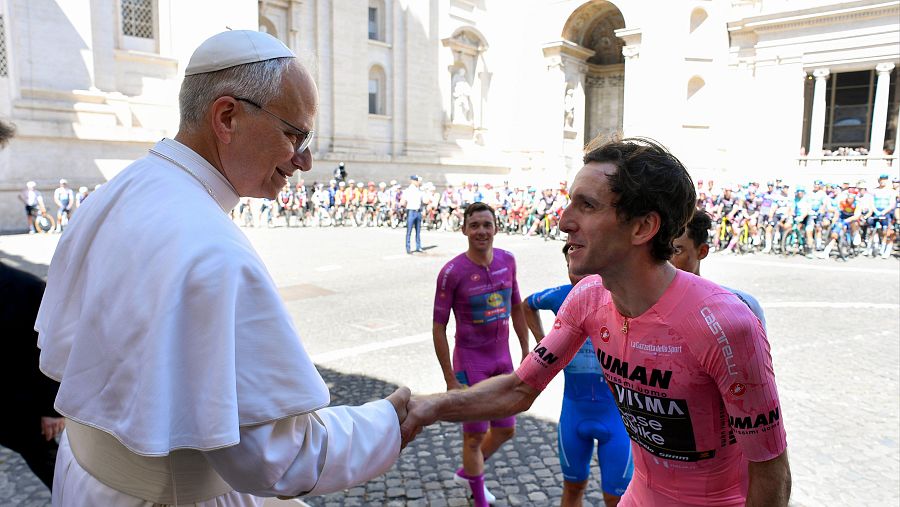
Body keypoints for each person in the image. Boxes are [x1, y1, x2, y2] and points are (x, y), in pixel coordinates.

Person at [35, 30, 410, 506]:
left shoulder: (118, 190)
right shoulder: (216, 252)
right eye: (295, 134)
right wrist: (390, 421)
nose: (306, 160)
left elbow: (67, 352)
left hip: (86, 480)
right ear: (227, 116)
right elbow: (280, 458)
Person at [404, 137, 791, 507]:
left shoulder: (726, 324)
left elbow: (771, 469)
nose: (563, 222)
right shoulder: (589, 296)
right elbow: (519, 389)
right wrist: (429, 408)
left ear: (643, 227)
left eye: (586, 206)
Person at [432, 201, 529, 507]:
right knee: (473, 436)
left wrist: (526, 352)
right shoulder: (452, 272)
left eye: (487, 225)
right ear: (464, 230)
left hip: (502, 359)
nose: (481, 231)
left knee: (506, 429)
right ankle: (478, 496)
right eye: (474, 225)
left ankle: (470, 471)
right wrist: (450, 378)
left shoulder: (507, 261)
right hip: (470, 362)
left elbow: (516, 306)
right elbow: (438, 328)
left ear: (496, 228)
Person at [523, 244, 632, 507]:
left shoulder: (621, 299)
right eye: (574, 267)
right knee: (572, 489)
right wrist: (541, 341)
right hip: (574, 415)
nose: (580, 274)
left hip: (616, 419)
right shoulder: (561, 296)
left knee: (616, 498)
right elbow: (527, 304)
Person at [0, 120, 65, 491]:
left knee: (51, 466)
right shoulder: (24, 291)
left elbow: (41, 342)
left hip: (16, 408)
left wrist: (49, 406)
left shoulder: (24, 292)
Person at [672, 210, 767, 329]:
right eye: (661, 249)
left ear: (702, 251)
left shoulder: (743, 306)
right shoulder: (645, 305)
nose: (666, 259)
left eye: (676, 251)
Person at [403, 174, 424, 253]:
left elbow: (422, 201)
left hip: (418, 211)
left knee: (418, 231)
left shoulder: (419, 190)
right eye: (416, 180)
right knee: (409, 231)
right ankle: (408, 247)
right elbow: (404, 201)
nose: (418, 182)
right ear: (412, 181)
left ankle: (418, 246)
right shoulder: (408, 190)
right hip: (411, 211)